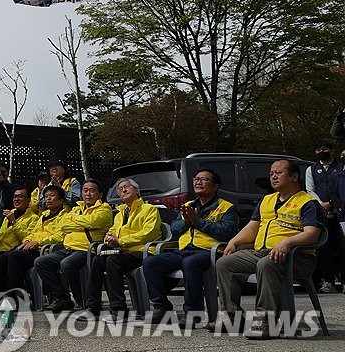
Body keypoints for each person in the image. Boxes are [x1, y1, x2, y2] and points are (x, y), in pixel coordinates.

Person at [213, 159, 324, 339]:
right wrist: (233, 241)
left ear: (294, 176)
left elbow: (312, 234)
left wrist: (287, 243)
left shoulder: (308, 202)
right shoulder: (266, 200)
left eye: (278, 173)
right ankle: (231, 316)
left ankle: (266, 321)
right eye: (271, 173)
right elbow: (252, 228)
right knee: (225, 263)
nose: (272, 176)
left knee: (266, 264)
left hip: (298, 257)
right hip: (263, 253)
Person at [142, 168, 238, 326]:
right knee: (151, 263)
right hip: (185, 250)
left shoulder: (226, 207)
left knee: (190, 263)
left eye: (204, 180)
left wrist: (198, 222)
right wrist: (187, 221)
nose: (198, 182)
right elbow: (174, 229)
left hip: (210, 252)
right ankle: (162, 308)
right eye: (196, 179)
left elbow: (228, 232)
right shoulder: (188, 205)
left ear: (215, 187)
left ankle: (193, 313)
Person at [83, 178, 161, 321]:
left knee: (113, 261)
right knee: (98, 260)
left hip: (142, 251)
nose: (123, 190)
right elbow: (113, 231)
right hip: (123, 251)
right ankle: (92, 307)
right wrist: (109, 238)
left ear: (136, 190)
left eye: (127, 187)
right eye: (120, 189)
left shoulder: (149, 209)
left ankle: (119, 310)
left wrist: (120, 241)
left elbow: (149, 233)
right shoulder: (120, 214)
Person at [34, 179, 112, 313]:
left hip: (86, 249)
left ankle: (81, 300)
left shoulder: (104, 208)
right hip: (68, 248)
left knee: (67, 264)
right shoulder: (76, 209)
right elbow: (62, 225)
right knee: (41, 262)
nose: (88, 194)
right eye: (85, 190)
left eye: (92, 190)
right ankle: (63, 298)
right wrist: (83, 224)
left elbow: (93, 221)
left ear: (100, 194)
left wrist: (76, 223)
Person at [3, 185, 69, 294]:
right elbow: (33, 233)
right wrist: (27, 241)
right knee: (5, 257)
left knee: (14, 256)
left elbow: (60, 236)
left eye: (52, 196)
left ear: (61, 200)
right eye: (46, 196)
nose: (48, 199)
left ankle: (15, 297)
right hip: (33, 249)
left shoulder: (66, 216)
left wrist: (38, 242)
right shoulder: (43, 216)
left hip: (47, 251)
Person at [304, 137, 344, 293]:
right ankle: (328, 282)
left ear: (332, 150)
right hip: (321, 213)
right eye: (318, 149)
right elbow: (310, 190)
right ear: (315, 151)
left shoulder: (341, 167)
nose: (322, 151)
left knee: (342, 247)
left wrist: (332, 205)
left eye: (325, 148)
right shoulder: (311, 169)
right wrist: (322, 206)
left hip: (341, 212)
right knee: (324, 248)